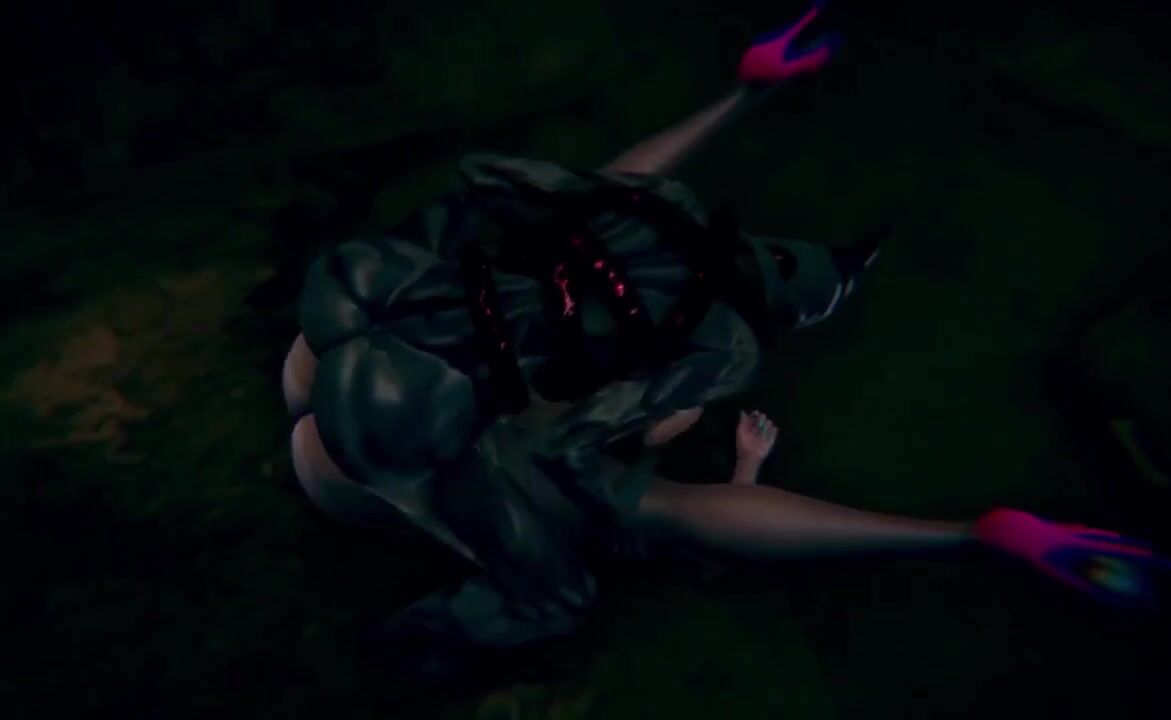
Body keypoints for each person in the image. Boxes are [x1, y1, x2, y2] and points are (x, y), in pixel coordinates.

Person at [281, 3, 1167, 671]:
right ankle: (383, 651)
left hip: (350, 356)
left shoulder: (642, 246)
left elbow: (616, 178)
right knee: (580, 572)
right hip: (378, 461)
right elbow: (687, 513)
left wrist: (745, 91)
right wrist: (966, 532)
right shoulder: (689, 365)